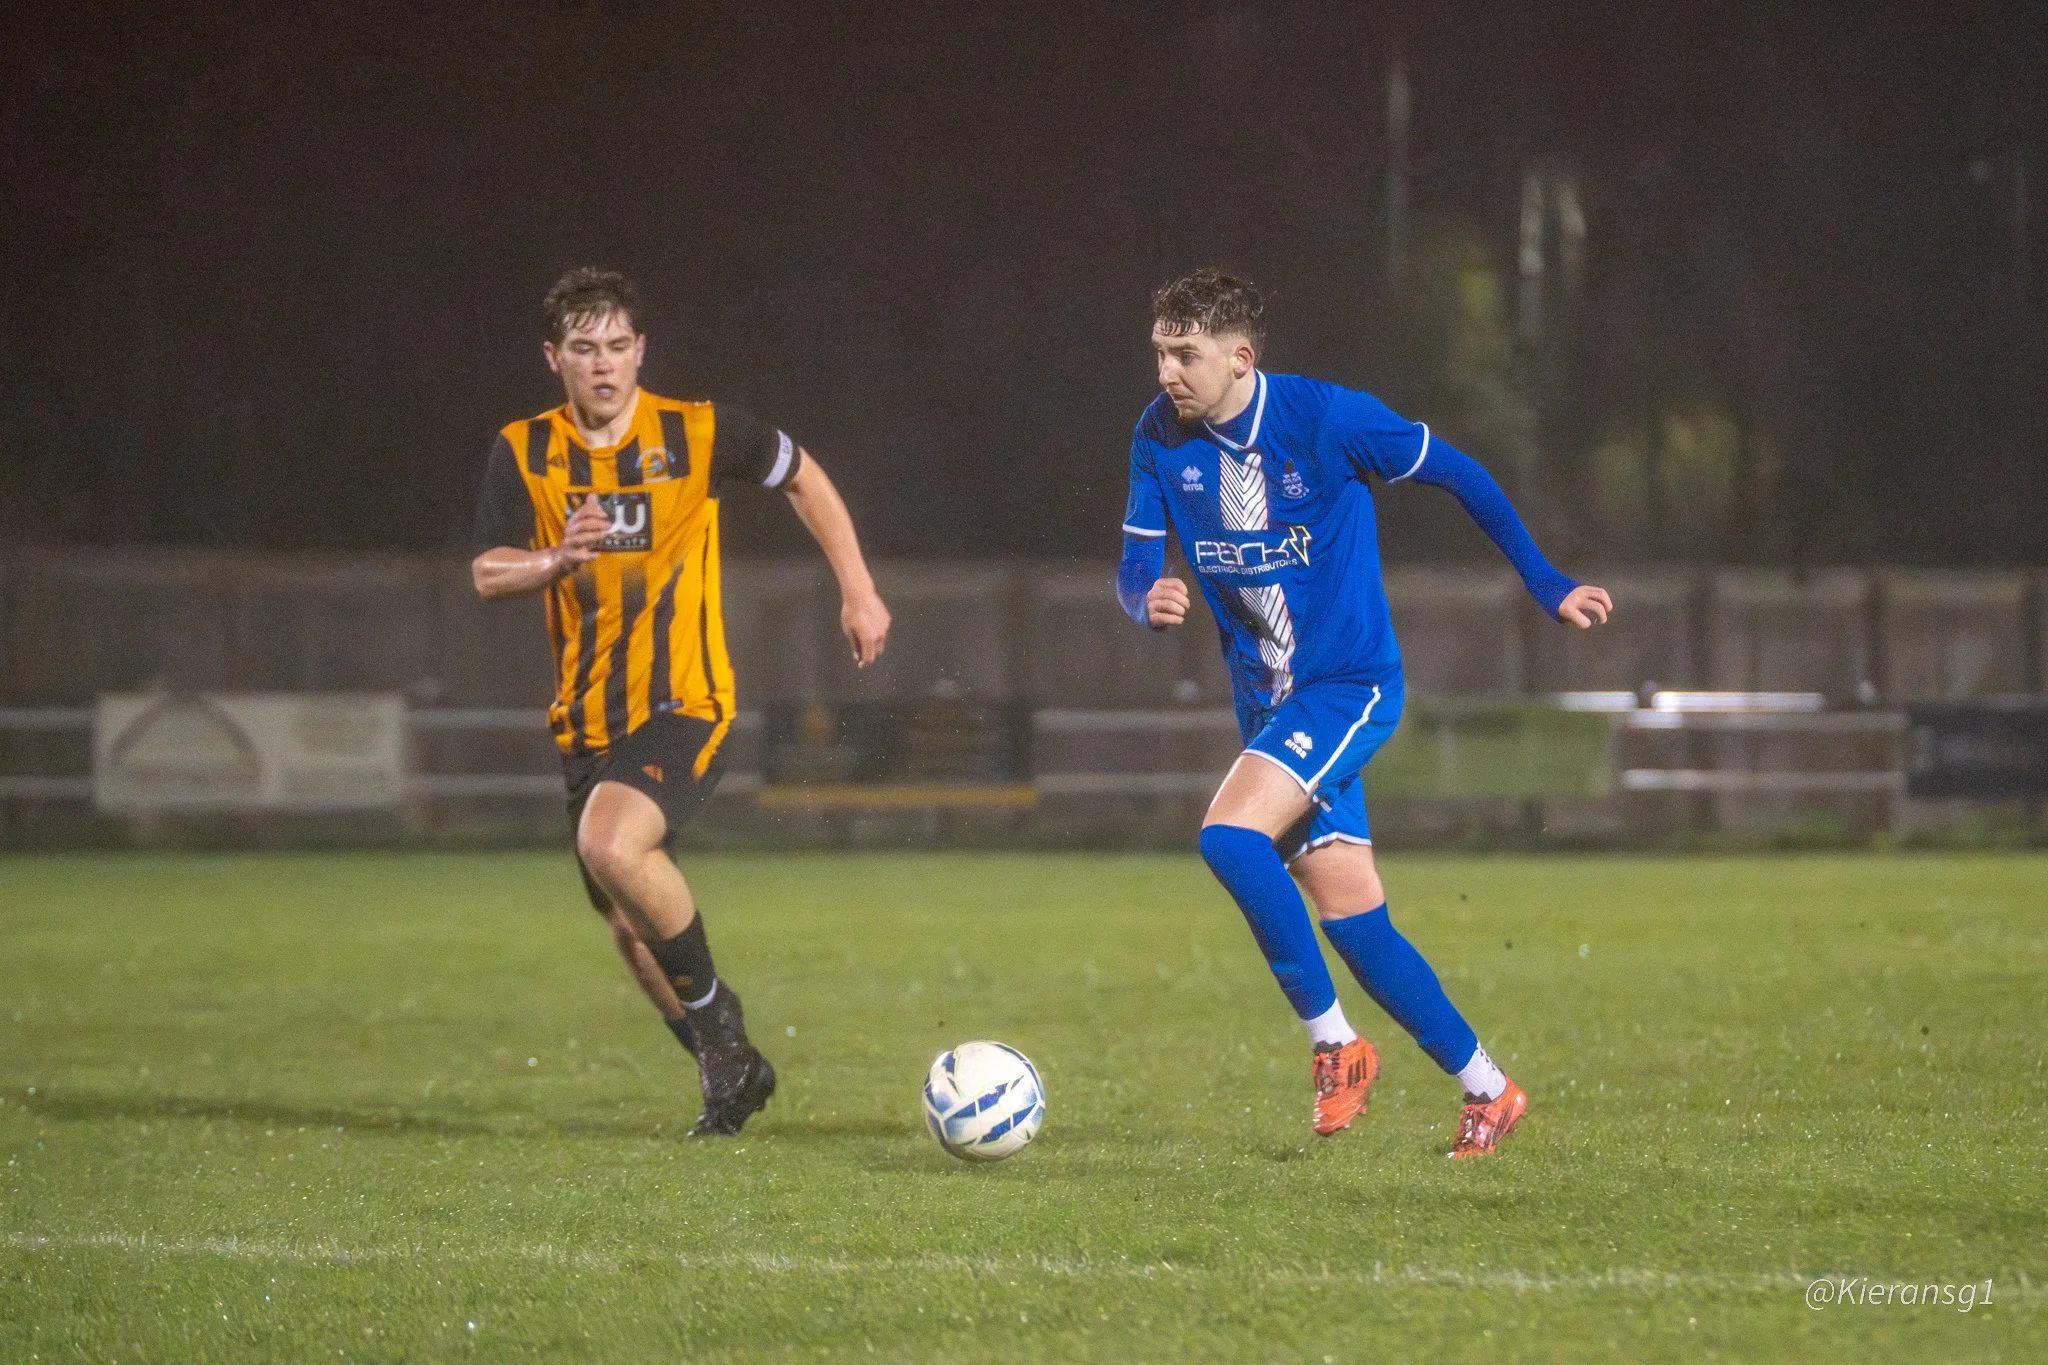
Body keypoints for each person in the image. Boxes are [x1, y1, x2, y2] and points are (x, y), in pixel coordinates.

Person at [1116, 268, 1612, 1158]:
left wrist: (1547, 582)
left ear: (1241, 357)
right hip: (1269, 705)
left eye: (1185, 354)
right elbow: (1135, 565)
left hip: (1348, 685)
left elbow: (1462, 473)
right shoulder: (1159, 435)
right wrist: (1144, 597)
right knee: (1356, 923)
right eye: (1159, 352)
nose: (1166, 372)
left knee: (1229, 839)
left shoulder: (1326, 419)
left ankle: (1336, 1046)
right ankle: (1489, 1089)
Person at [471, 268, 890, 1136]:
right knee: (630, 929)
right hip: (586, 723)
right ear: (553, 358)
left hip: (686, 702)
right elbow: (487, 571)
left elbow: (804, 475)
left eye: (617, 345)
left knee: (609, 841)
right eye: (583, 348)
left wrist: (857, 587)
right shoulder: (524, 450)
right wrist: (555, 558)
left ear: (641, 350)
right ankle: (730, 1073)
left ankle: (722, 1028)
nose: (603, 364)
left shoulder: (697, 432)